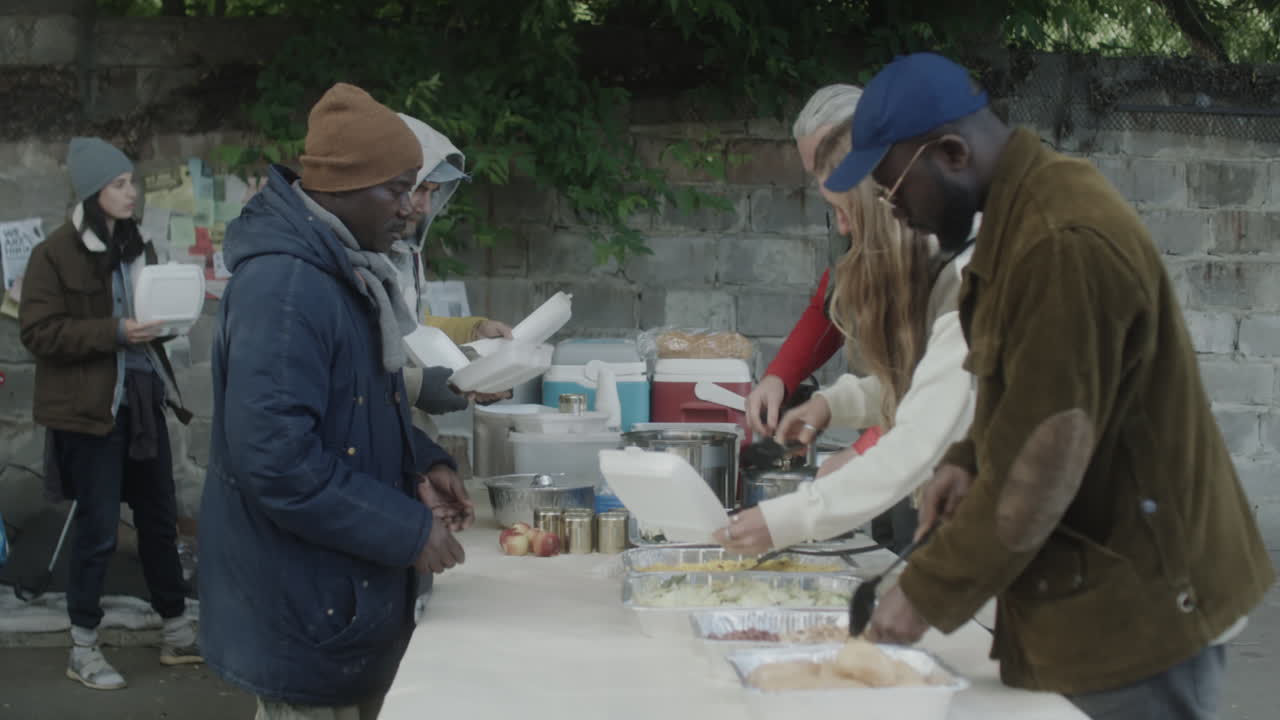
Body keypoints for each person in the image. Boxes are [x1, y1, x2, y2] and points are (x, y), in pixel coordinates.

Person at [830, 53, 1275, 719]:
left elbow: (1039, 467)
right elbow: (1029, 385)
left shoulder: (1059, 241)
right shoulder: (1017, 217)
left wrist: (923, 592)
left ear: (952, 153)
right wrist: (969, 458)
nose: (897, 217)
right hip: (1103, 584)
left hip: (1148, 605)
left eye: (896, 193)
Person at [198, 83, 472, 719]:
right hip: (303, 610)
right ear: (344, 188)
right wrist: (407, 531)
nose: (410, 208)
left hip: (332, 598)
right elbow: (278, 461)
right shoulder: (286, 287)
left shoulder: (338, 266)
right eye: (397, 189)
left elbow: (355, 406)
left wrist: (419, 462)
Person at [716, 118, 977, 556]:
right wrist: (831, 405)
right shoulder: (948, 256)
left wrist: (789, 519)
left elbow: (924, 435)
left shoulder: (976, 278)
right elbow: (930, 384)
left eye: (843, 210)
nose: (840, 230)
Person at [20, 137, 200, 690]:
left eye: (132, 182)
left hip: (142, 404)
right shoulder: (54, 253)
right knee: (98, 531)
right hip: (89, 413)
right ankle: (83, 647)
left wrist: (167, 321)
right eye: (120, 184)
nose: (132, 192)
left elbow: (147, 315)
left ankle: (175, 631)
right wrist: (116, 332)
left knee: (158, 520)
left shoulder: (136, 244)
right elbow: (39, 332)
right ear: (94, 191)